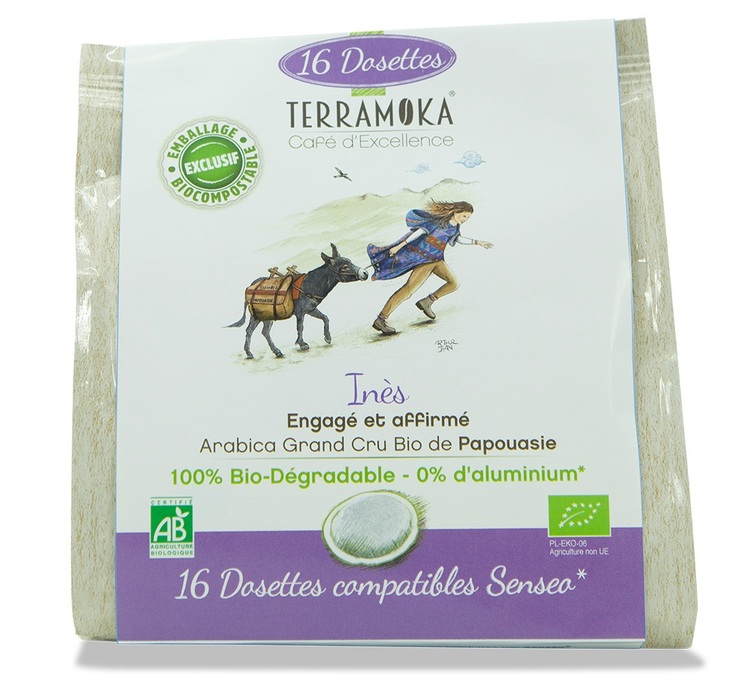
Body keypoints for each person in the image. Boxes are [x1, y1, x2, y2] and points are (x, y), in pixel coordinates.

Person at [367, 200, 493, 334]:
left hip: (436, 259)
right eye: (464, 216)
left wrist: (477, 242)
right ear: (456, 211)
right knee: (408, 289)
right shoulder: (437, 222)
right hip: (425, 260)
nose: (465, 220)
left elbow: (458, 239)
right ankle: (381, 319)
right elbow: (418, 232)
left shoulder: (455, 228)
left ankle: (427, 302)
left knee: (453, 283)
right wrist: (399, 246)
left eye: (468, 218)